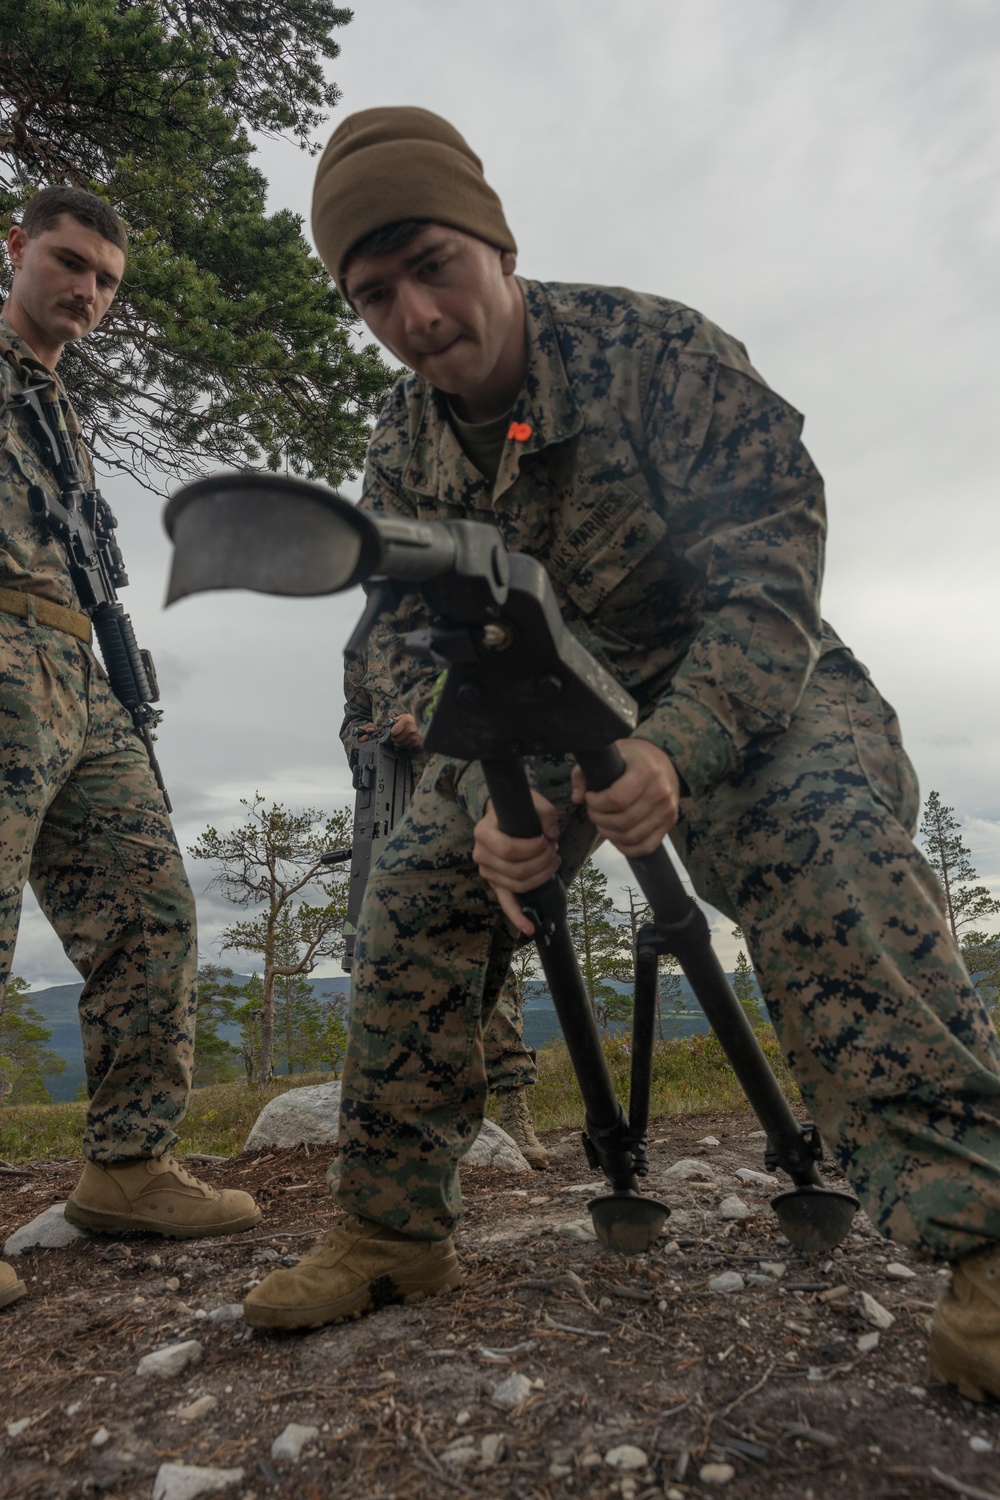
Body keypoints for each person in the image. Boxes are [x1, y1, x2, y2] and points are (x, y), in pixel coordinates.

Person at [244, 108, 1000, 1407]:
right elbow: (398, 629)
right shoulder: (405, 442)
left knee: (821, 838)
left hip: (742, 682)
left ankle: (983, 1234)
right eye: (375, 295)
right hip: (533, 708)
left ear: (497, 241)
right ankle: (389, 1228)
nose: (416, 315)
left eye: (433, 266)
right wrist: (484, 788)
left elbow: (774, 569)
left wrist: (678, 745)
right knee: (421, 887)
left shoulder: (657, 354)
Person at [0, 188, 259, 1305]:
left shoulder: (58, 407)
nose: (86, 292)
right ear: (15, 249)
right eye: (68, 263)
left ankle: (128, 1166)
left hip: (78, 674)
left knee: (152, 910)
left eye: (105, 280)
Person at [341, 644, 547, 1167]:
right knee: (393, 945)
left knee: (479, 938)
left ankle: (512, 1110)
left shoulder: (453, 602)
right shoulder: (363, 640)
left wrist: (426, 726)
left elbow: (503, 697)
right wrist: (367, 738)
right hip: (390, 802)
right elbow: (351, 717)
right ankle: (415, 1116)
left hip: (466, 793)